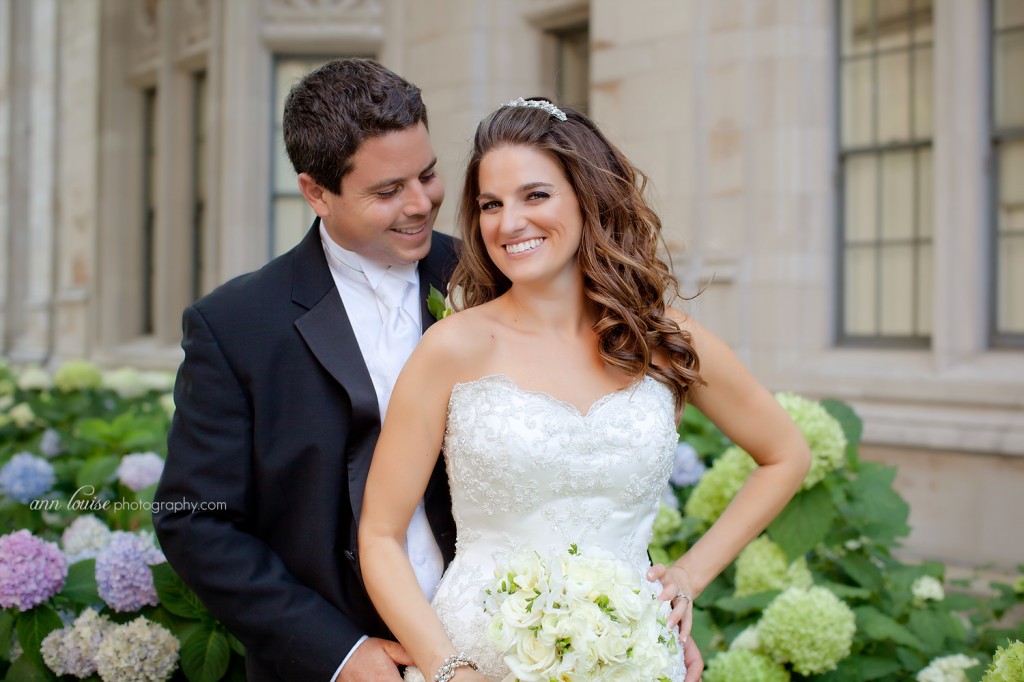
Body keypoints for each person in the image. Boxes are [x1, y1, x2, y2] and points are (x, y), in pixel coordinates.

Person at [358, 97, 812, 682]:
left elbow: (786, 455)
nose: (509, 222)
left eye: (535, 195)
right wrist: (449, 669)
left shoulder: (663, 338)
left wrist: (690, 576)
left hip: (632, 660)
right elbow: (379, 535)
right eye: (490, 204)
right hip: (479, 661)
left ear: (587, 196)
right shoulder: (452, 348)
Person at [153, 58, 460, 681]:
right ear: (316, 192)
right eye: (386, 190)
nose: (420, 203)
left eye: (427, 174)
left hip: (500, 640)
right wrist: (338, 654)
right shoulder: (235, 324)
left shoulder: (490, 278)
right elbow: (197, 519)